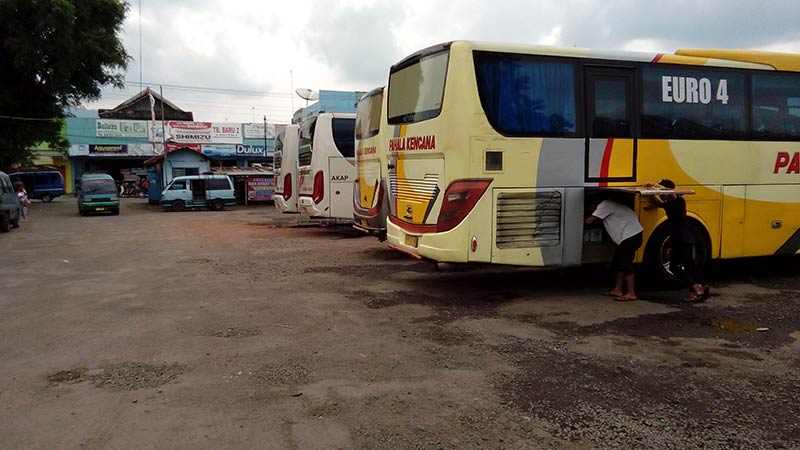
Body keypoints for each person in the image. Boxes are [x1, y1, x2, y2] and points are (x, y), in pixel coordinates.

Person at [651, 179, 710, 302]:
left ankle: (696, 288)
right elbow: (657, 202)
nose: (661, 195)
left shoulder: (679, 201)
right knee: (687, 266)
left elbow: (673, 195)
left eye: (663, 192)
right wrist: (651, 190)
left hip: (683, 239)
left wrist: (660, 188)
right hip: (681, 239)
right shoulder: (668, 203)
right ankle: (696, 289)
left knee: (678, 267)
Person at [585, 196, 644, 301]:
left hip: (630, 237)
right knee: (618, 262)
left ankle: (631, 293)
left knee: (626, 264)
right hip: (631, 236)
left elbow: (590, 221)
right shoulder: (610, 204)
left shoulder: (605, 205)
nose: (590, 209)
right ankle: (617, 289)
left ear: (593, 204)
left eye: (589, 207)